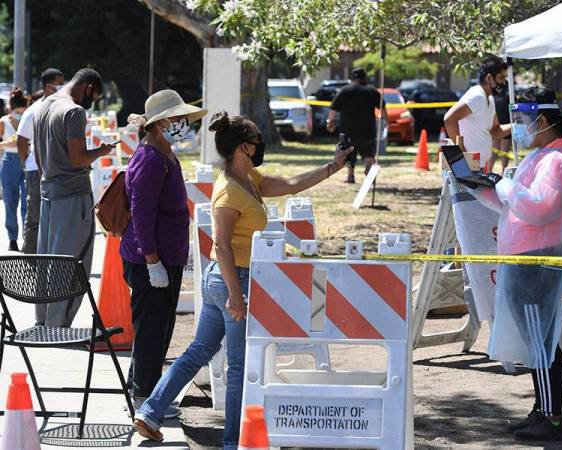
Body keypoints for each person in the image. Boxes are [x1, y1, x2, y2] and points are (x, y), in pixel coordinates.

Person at [133, 111, 353, 447]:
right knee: (237, 365)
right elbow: (220, 245)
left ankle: (150, 412)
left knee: (199, 351)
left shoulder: (249, 179)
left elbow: (292, 185)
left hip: (224, 279)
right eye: (255, 138)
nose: (259, 142)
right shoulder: (231, 191)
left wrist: (333, 166)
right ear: (242, 148)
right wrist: (237, 297)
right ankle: (233, 442)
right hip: (232, 279)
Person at [471, 88, 562, 440]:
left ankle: (552, 418)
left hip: (537, 264)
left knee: (542, 343)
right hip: (525, 260)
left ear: (543, 121)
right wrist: (478, 187)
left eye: (521, 121)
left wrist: (504, 186)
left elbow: (538, 207)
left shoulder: (559, 161)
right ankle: (541, 409)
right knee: (537, 343)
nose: (517, 129)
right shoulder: (543, 156)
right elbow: (514, 206)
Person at [120, 90, 207, 417]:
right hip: (149, 260)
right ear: (160, 124)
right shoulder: (151, 159)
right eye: (178, 118)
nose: (184, 124)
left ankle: (144, 391)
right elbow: (142, 214)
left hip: (164, 257)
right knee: (152, 330)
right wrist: (153, 260)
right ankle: (144, 400)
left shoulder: (166, 154)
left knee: (158, 327)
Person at [33, 68, 115, 327]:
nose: (92, 103)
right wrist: (101, 151)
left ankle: (44, 320)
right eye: (95, 96)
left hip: (48, 191)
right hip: (72, 194)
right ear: (88, 87)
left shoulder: (43, 105)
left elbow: (38, 156)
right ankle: (58, 325)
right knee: (72, 263)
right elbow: (78, 158)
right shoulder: (74, 112)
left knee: (48, 261)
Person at [17, 68, 64, 255]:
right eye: (59, 82)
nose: (62, 86)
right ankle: (29, 259)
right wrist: (27, 163)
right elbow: (21, 140)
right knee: (35, 215)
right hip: (36, 171)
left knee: (54, 217)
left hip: (56, 170)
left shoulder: (61, 108)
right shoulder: (34, 110)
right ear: (48, 85)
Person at [444, 56, 512, 169]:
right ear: (489, 78)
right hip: (466, 165)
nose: (504, 82)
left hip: (478, 164)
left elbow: (495, 131)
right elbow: (449, 119)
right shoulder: (477, 96)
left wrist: (516, 126)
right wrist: (462, 154)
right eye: (501, 78)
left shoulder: (489, 99)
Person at [326, 67, 388, 183]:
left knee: (349, 152)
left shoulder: (344, 91)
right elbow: (382, 107)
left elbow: (333, 109)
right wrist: (386, 120)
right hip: (368, 129)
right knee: (369, 151)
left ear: (352, 77)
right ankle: (369, 169)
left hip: (348, 130)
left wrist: (330, 122)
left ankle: (351, 175)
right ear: (365, 77)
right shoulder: (371, 91)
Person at [0, 88, 28, 251]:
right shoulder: (3, 121)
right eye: (17, 111)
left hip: (25, 161)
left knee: (27, 202)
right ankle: (12, 239)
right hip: (9, 161)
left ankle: (26, 237)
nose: (20, 114)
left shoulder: (27, 119)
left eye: (21, 111)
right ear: (12, 109)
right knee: (10, 202)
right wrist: (7, 144)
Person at [488, 82, 511, 173]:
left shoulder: (508, 91)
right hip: (495, 126)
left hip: (506, 125)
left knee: (504, 152)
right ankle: (489, 173)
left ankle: (503, 174)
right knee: (494, 151)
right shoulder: (491, 92)